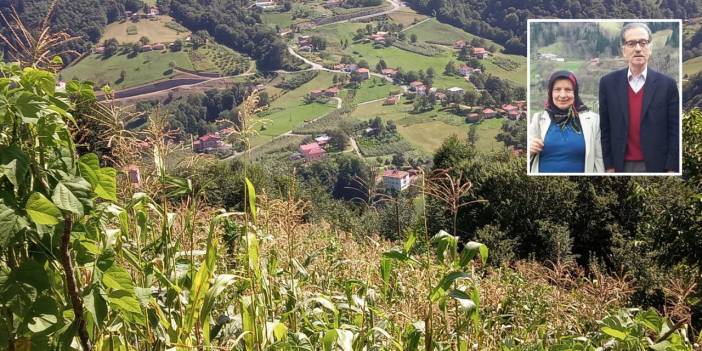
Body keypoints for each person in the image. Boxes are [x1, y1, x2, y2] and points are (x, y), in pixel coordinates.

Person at [598, 22, 679, 173]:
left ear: (650, 48)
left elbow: (674, 130)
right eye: (631, 43)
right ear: (623, 50)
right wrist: (609, 166)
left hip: (657, 165)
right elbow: (605, 128)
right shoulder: (608, 83)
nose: (638, 48)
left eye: (643, 43)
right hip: (621, 166)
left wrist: (672, 168)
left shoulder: (667, 85)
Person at [529, 70, 604, 173]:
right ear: (550, 93)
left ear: (575, 92)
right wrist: (529, 150)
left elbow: (599, 160)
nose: (563, 95)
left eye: (568, 89)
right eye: (557, 89)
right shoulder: (538, 119)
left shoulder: (593, 121)